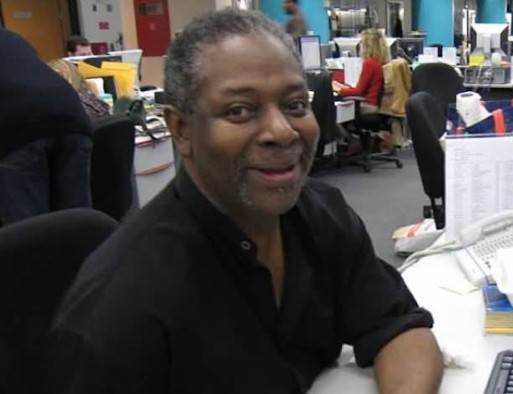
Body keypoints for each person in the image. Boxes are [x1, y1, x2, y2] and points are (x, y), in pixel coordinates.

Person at [47, 9, 444, 393]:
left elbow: (399, 328)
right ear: (182, 130)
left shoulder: (322, 215)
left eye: (294, 105)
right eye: (240, 110)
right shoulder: (122, 306)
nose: (282, 131)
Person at [0, 29, 93, 225]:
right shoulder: (11, 38)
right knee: (77, 225)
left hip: (16, 130)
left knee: (31, 233)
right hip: (70, 116)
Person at [332, 28, 389, 109]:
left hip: (368, 105)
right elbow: (363, 89)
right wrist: (342, 87)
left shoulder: (370, 63)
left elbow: (359, 92)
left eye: (361, 42)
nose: (360, 45)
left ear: (367, 45)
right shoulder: (381, 62)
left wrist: (338, 90)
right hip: (375, 104)